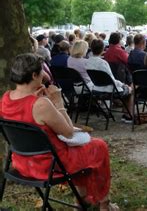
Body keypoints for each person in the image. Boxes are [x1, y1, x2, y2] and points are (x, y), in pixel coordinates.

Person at [0, 54, 118, 210]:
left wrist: (38, 99)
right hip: (50, 165)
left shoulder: (6, 98)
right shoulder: (41, 104)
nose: (44, 74)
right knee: (99, 146)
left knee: (86, 149)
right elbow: (68, 132)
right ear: (34, 75)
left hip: (22, 162)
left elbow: (26, 115)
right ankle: (104, 203)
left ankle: (82, 198)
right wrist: (58, 101)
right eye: (41, 71)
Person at [85, 39, 134, 124]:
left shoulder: (87, 62)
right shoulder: (103, 63)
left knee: (126, 89)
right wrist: (123, 85)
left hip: (96, 89)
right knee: (130, 91)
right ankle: (128, 115)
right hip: (108, 89)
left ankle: (126, 113)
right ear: (102, 49)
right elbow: (112, 80)